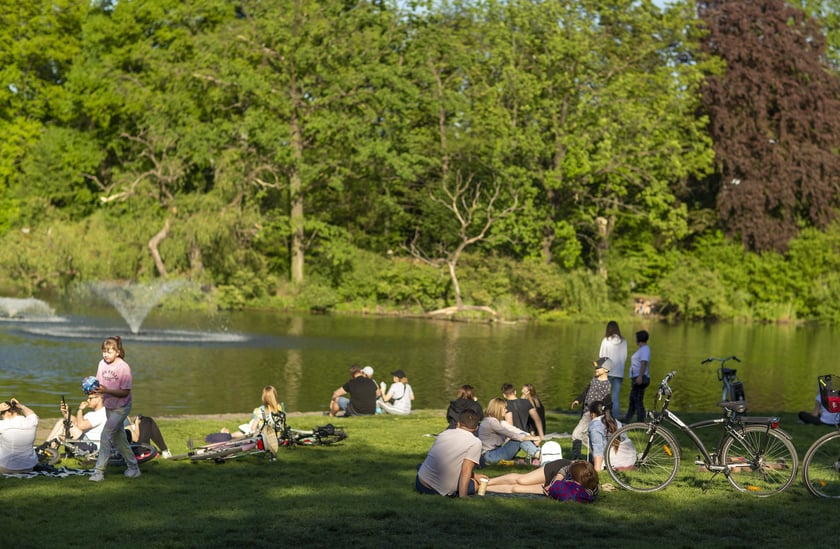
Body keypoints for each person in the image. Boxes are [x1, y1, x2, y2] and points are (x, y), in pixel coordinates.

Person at [90, 335, 140, 482]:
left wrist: (106, 391)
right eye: (104, 351)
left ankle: (98, 472)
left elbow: (125, 392)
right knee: (119, 439)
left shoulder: (123, 367)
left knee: (106, 435)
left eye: (109, 351)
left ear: (117, 352)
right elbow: (99, 384)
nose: (106, 354)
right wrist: (92, 389)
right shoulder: (102, 364)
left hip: (122, 407)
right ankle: (133, 468)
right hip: (109, 405)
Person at [416, 410, 485, 497]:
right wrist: (463, 497)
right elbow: (465, 471)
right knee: (474, 484)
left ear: (458, 423)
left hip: (420, 481)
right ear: (476, 428)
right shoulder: (475, 442)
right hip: (438, 490)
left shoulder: (444, 433)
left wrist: (473, 475)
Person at [486, 459, 600, 503]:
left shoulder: (591, 488)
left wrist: (552, 491)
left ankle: (483, 488)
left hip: (559, 487)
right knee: (522, 480)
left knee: (517, 488)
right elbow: (562, 471)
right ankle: (487, 481)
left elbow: (587, 497)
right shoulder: (573, 467)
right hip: (554, 471)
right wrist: (553, 484)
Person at [570, 358, 612, 460]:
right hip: (586, 412)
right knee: (587, 436)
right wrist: (578, 400)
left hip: (594, 414)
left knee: (576, 434)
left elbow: (608, 402)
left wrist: (607, 415)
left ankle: (576, 457)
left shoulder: (607, 385)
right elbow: (586, 392)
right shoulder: (594, 380)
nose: (596, 369)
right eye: (595, 367)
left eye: (598, 367)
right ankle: (597, 455)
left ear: (606, 370)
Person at [478, 397, 541, 465]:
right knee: (518, 439)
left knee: (521, 435)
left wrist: (531, 437)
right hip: (490, 456)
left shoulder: (498, 422)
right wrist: (533, 438)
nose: (506, 410)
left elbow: (515, 430)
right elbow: (513, 435)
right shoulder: (491, 422)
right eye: (504, 408)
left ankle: (537, 454)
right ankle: (539, 454)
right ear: (498, 409)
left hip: (495, 453)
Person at [42, 393, 107, 453]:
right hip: (84, 442)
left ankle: (45, 448)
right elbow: (76, 423)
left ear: (99, 399)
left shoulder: (103, 412)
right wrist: (66, 412)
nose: (87, 400)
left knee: (63, 423)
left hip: (92, 446)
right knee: (62, 423)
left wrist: (80, 409)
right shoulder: (91, 414)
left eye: (90, 398)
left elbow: (81, 426)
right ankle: (47, 448)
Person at [587, 400, 636, 471]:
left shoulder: (595, 426)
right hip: (630, 459)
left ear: (592, 414)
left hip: (613, 462)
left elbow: (598, 450)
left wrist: (597, 471)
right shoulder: (614, 421)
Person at [0, 398, 38, 474]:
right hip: (28, 468)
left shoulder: (2, 425)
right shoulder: (32, 422)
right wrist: (20, 406)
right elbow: (31, 413)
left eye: (1, 414)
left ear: (7, 413)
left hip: (5, 468)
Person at [599, 321, 628, 416]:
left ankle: (604, 418)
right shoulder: (623, 341)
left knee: (604, 397)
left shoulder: (606, 341)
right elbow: (624, 357)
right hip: (619, 373)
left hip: (607, 372)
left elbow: (601, 357)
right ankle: (615, 420)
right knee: (615, 398)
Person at [624, 330, 651, 424]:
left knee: (637, 400)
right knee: (633, 399)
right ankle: (627, 419)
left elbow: (644, 363)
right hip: (636, 377)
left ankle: (640, 420)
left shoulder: (644, 349)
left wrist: (640, 376)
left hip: (640, 378)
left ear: (639, 339)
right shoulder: (642, 349)